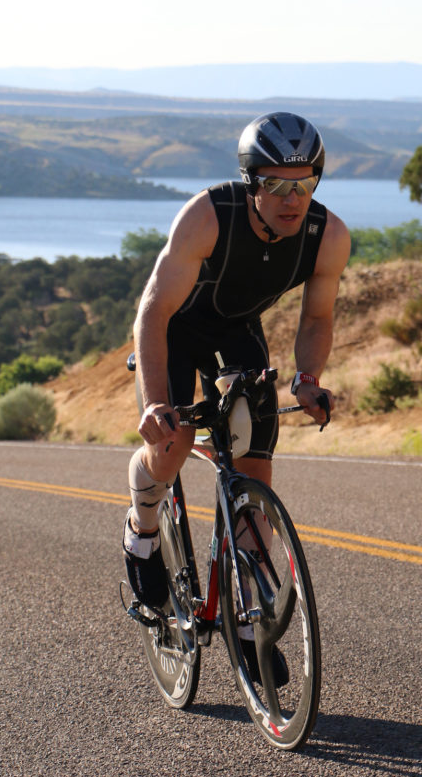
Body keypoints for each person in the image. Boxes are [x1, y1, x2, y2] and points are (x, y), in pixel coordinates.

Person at [123, 111, 351, 682]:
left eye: (303, 184)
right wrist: (155, 403)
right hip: (174, 330)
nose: (291, 199)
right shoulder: (208, 216)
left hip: (236, 333)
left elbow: (317, 318)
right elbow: (153, 311)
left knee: (253, 471)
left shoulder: (327, 236)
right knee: (172, 446)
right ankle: (141, 529)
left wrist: (307, 378)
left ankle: (249, 627)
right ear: (252, 182)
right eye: (275, 184)